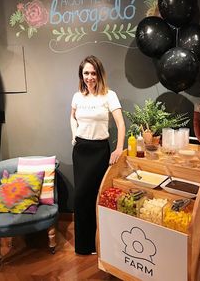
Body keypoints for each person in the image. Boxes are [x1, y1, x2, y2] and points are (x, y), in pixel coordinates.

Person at [70, 55, 125, 255]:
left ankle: (99, 243)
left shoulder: (110, 95)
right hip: (81, 151)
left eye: (93, 73)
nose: (90, 77)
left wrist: (119, 148)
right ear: (81, 74)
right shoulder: (77, 96)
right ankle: (84, 245)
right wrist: (74, 134)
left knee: (97, 196)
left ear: (99, 74)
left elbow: (120, 123)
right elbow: (72, 117)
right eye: (86, 73)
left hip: (99, 152)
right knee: (80, 197)